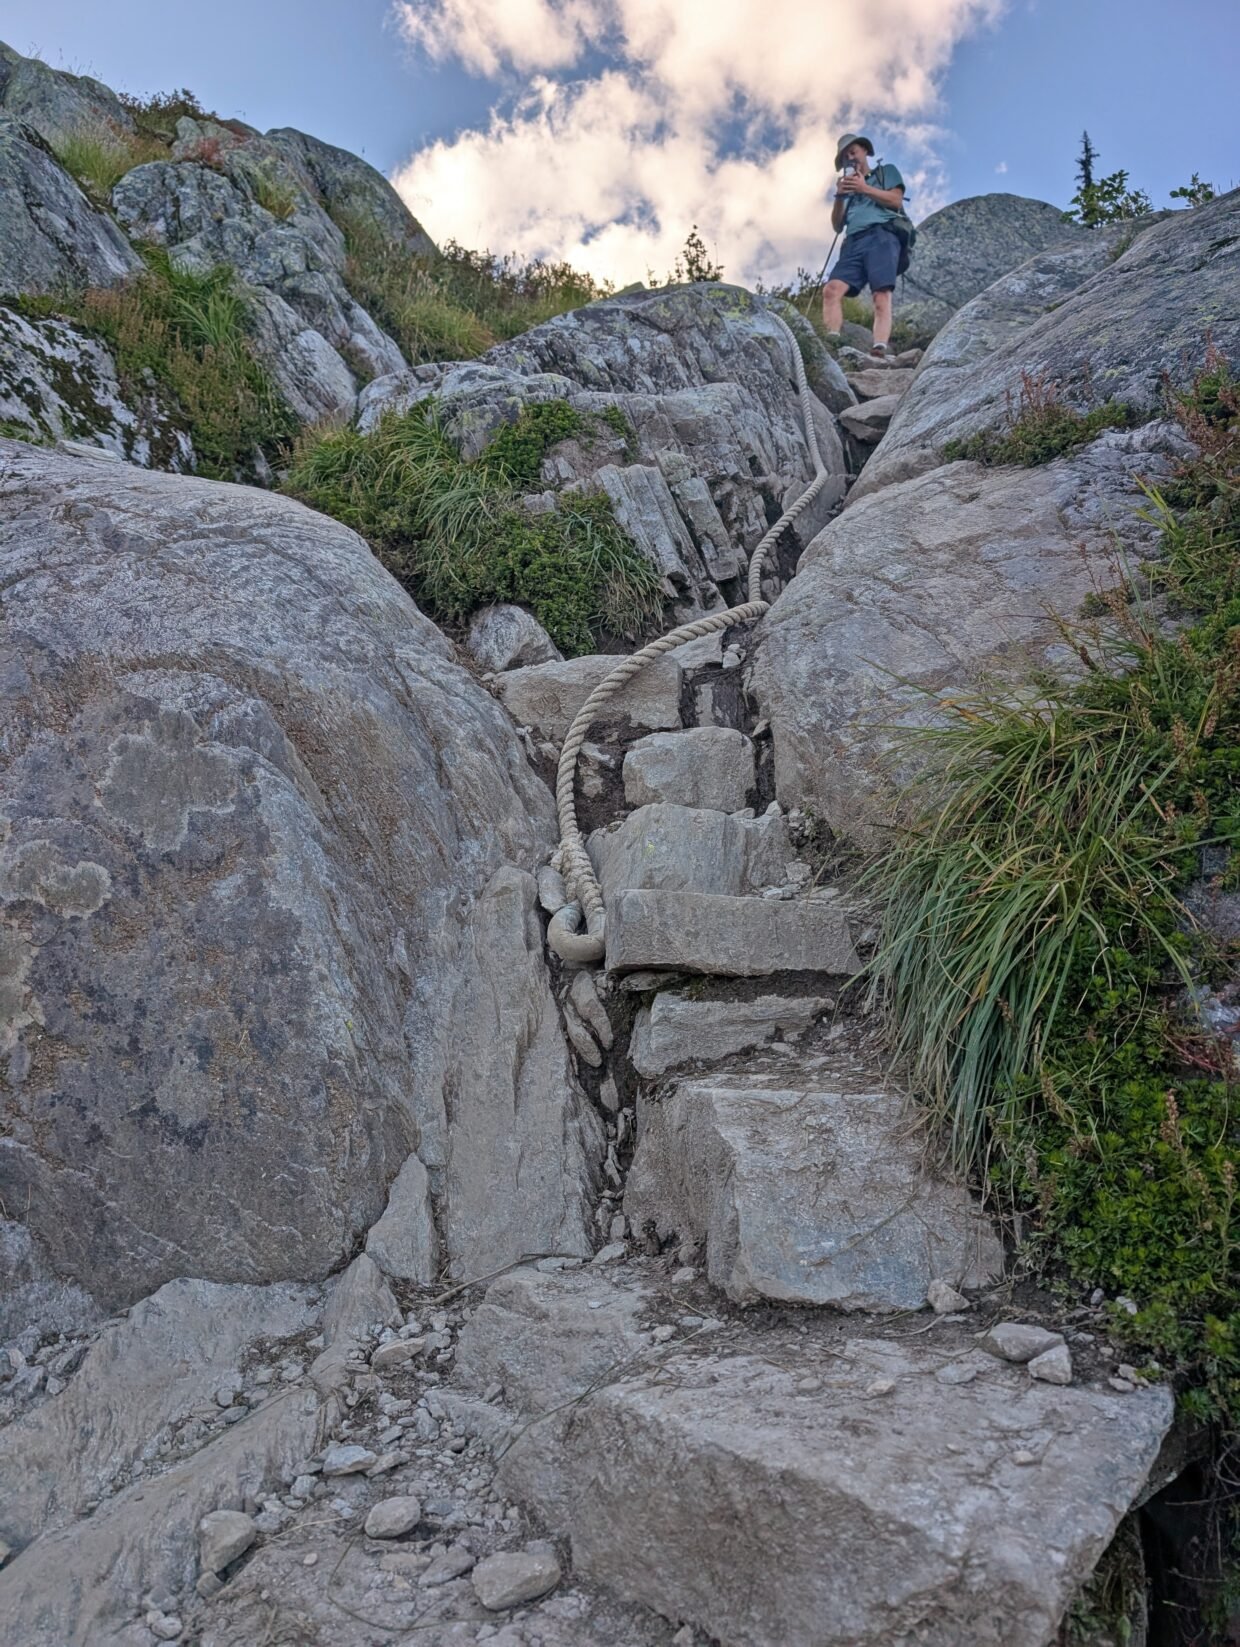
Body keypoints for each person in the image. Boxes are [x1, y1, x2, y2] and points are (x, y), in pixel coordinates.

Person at [821, 133, 907, 357]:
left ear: (865, 151)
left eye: (853, 152)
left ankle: (879, 346)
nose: (851, 158)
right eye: (846, 157)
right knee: (831, 289)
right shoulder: (847, 186)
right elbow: (837, 226)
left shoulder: (885, 172)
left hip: (882, 235)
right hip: (853, 241)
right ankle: (832, 342)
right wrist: (840, 197)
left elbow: (896, 201)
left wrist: (864, 188)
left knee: (881, 294)